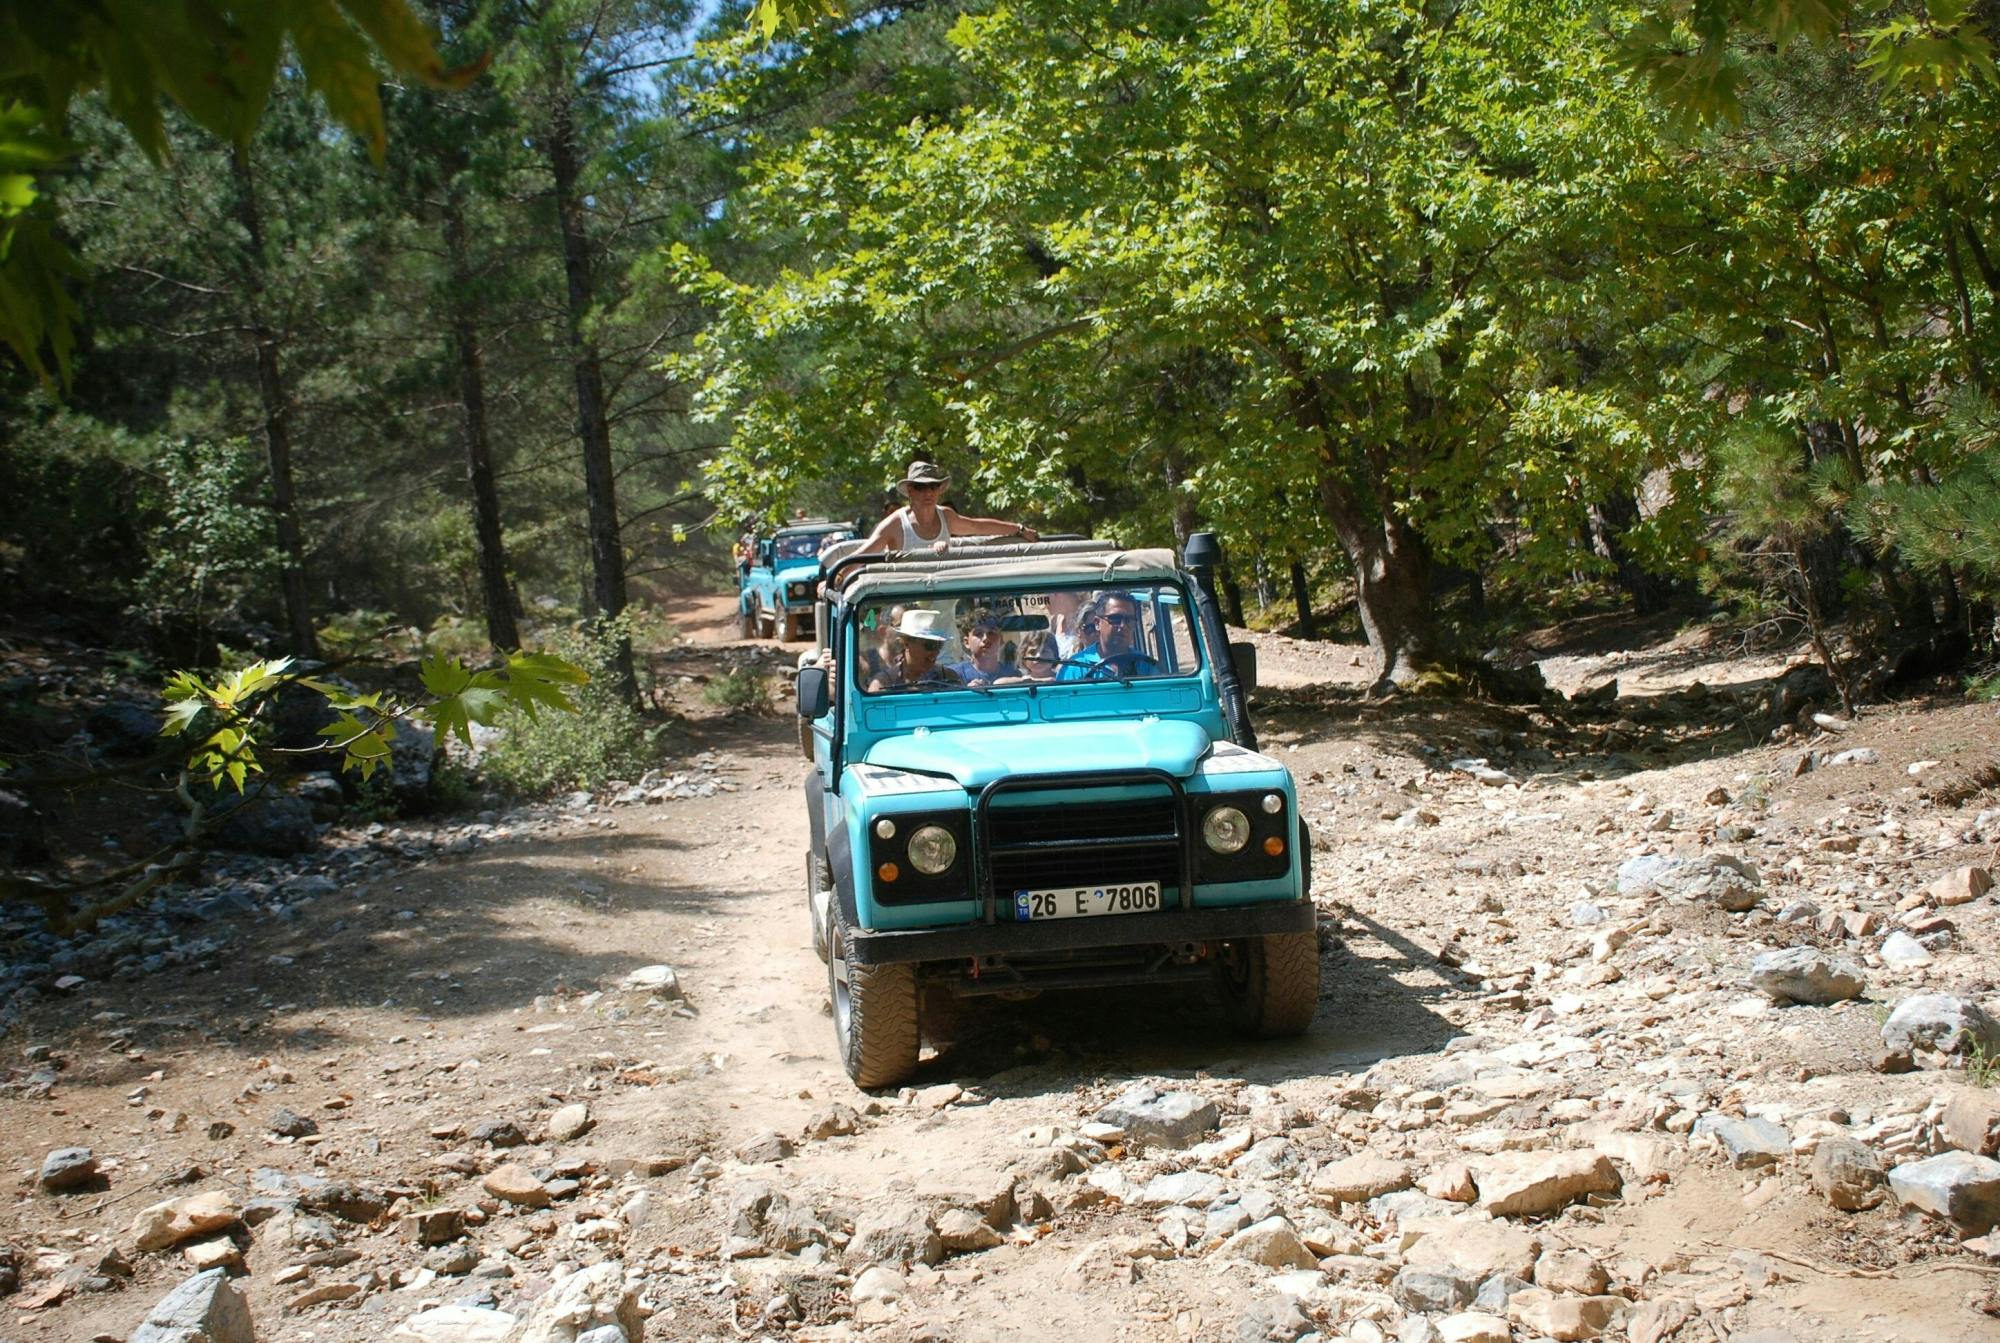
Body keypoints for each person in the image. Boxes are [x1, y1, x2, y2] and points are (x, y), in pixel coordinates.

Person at [852, 461, 1041, 556]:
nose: (928, 492)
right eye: (920, 487)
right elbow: (864, 554)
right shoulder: (895, 524)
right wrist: (839, 577)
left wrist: (1020, 529)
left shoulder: (946, 516)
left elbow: (978, 527)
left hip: (943, 597)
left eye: (933, 486)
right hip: (906, 605)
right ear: (910, 491)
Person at [1056, 590, 1161, 682]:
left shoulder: (1146, 666)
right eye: (1115, 619)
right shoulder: (1075, 668)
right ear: (1097, 623)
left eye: (1129, 620)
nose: (1123, 626)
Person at [866, 608, 963, 692]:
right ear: (906, 642)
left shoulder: (949, 679)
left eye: (939, 645)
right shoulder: (884, 684)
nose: (936, 652)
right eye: (930, 645)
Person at [945, 608, 1011, 685]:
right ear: (966, 642)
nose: (986, 638)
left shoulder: (1012, 673)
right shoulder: (952, 675)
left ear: (1001, 640)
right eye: (978, 634)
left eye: (991, 633)